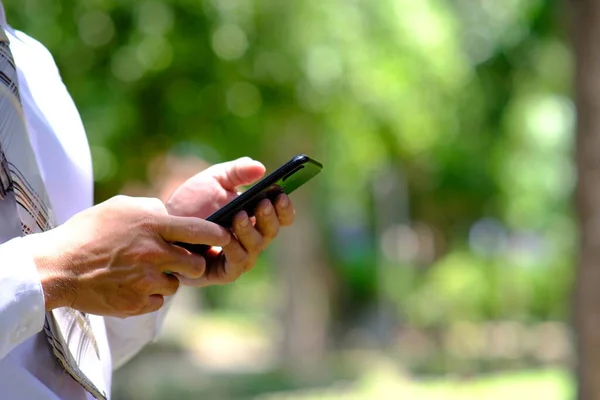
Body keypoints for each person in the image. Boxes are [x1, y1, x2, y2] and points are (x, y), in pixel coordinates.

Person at [0, 2, 295, 399]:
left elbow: (55, 355)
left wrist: (165, 247)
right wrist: (55, 270)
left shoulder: (33, 65)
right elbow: (54, 279)